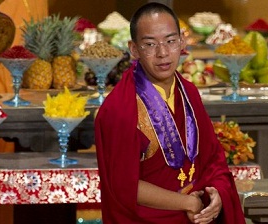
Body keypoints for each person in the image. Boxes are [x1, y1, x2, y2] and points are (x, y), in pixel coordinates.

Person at [95, 2, 245, 223]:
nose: (163, 53)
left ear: (182, 42)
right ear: (134, 49)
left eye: (170, 41)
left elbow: (213, 159)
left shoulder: (189, 92)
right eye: (150, 44)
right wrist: (187, 203)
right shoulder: (119, 108)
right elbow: (122, 185)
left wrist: (218, 194)